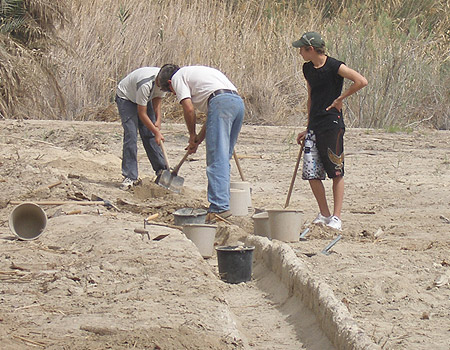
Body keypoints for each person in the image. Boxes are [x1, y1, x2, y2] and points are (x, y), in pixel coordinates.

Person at [292, 32, 368, 230]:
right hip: (315, 124)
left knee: (336, 170)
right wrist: (308, 126)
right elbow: (311, 97)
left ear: (311, 49)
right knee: (311, 172)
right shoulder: (307, 68)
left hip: (332, 124)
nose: (299, 51)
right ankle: (324, 214)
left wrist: (340, 99)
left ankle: (336, 217)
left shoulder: (334, 66)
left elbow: (361, 81)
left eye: (301, 48)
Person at [156, 64, 245, 222]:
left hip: (221, 104)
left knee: (217, 158)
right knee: (223, 157)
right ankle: (223, 203)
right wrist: (197, 140)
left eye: (172, 92)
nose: (175, 93)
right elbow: (213, 116)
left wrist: (191, 134)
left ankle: (219, 208)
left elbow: (189, 109)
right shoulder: (199, 75)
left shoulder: (177, 77)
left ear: (170, 84)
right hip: (237, 103)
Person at [115, 67, 168, 189]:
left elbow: (157, 100)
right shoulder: (145, 84)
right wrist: (156, 132)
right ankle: (130, 176)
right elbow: (142, 113)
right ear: (158, 80)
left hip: (143, 98)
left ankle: (162, 171)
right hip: (126, 98)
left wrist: (158, 120)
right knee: (131, 135)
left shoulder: (165, 79)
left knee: (149, 134)